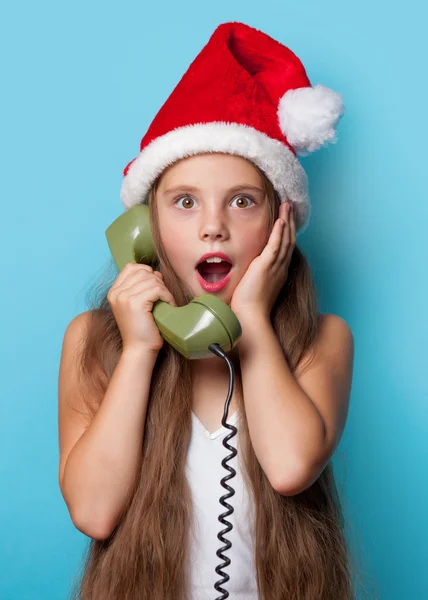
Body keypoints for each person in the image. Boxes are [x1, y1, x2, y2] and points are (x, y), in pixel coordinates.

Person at [58, 21, 363, 600]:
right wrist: (142, 349)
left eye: (242, 201)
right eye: (184, 201)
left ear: (281, 223)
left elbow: (290, 466)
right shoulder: (93, 340)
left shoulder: (323, 340)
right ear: (145, 227)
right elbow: (94, 512)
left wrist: (251, 320)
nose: (212, 225)